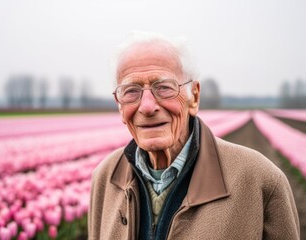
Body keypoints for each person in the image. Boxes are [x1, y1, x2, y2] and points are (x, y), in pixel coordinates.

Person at [88, 32, 300, 240]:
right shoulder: (105, 178)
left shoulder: (259, 181)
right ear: (119, 105)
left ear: (194, 97)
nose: (147, 107)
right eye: (131, 91)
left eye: (163, 87)